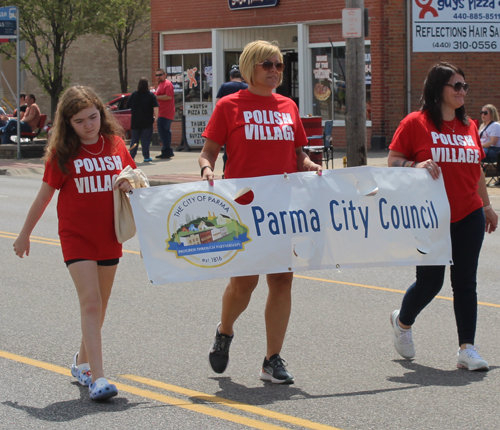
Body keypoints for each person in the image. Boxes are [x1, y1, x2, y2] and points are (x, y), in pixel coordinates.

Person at [199, 40, 322, 384]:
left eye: (279, 65)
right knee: (244, 284)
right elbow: (208, 151)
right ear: (250, 66)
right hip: (242, 209)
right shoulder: (229, 105)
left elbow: (299, 154)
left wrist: (309, 163)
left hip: (283, 210)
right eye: (267, 64)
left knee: (282, 280)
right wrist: (208, 171)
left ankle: (272, 359)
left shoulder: (288, 107)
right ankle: (225, 331)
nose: (274, 70)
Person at [13, 86, 136, 400]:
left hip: (110, 235)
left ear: (101, 114)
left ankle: (81, 363)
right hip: (76, 237)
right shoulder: (62, 154)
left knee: (100, 305)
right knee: (91, 303)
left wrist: (128, 180)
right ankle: (98, 377)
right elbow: (44, 196)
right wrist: (25, 233)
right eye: (80, 121)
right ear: (68, 123)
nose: (89, 125)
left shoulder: (116, 144)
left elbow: (136, 179)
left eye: (93, 117)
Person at [388, 62, 498, 371]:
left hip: (469, 213)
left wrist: (487, 206)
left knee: (465, 282)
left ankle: (467, 348)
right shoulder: (415, 123)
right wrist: (414, 166)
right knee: (430, 283)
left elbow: (475, 169)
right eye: (457, 86)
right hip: (429, 217)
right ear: (439, 89)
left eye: (465, 86)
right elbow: (393, 160)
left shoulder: (470, 126)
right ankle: (403, 322)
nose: (463, 92)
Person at [215, 65, 249, 175]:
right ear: (242, 77)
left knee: (228, 148)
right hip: (245, 119)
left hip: (229, 120)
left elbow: (217, 103)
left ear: (230, 77)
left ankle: (226, 171)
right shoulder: (247, 86)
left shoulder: (225, 86)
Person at [126, 77, 159, 162]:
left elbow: (127, 105)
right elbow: (156, 106)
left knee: (134, 139)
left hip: (135, 121)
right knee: (146, 140)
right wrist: (156, 117)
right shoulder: (151, 95)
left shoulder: (134, 94)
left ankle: (131, 157)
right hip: (147, 121)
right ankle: (146, 157)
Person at [154, 68, 175, 159]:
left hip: (166, 113)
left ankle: (167, 151)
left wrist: (156, 97)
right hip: (161, 112)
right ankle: (167, 150)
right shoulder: (161, 84)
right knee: (165, 132)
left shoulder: (167, 84)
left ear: (165, 75)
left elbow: (168, 97)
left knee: (164, 132)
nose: (158, 77)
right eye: (157, 75)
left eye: (160, 75)